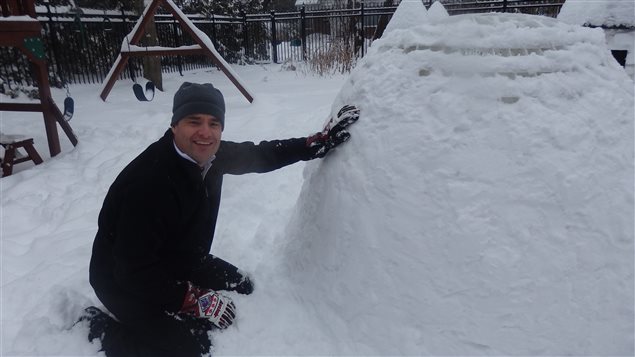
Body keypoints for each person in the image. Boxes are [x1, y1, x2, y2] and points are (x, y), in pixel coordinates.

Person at [81, 82, 359, 356]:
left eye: (214, 123)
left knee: (243, 285)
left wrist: (313, 144)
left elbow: (262, 154)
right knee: (192, 349)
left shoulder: (212, 157)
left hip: (176, 260)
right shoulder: (149, 183)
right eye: (194, 121)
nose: (205, 132)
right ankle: (99, 329)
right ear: (174, 125)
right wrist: (191, 299)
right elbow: (133, 271)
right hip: (122, 281)